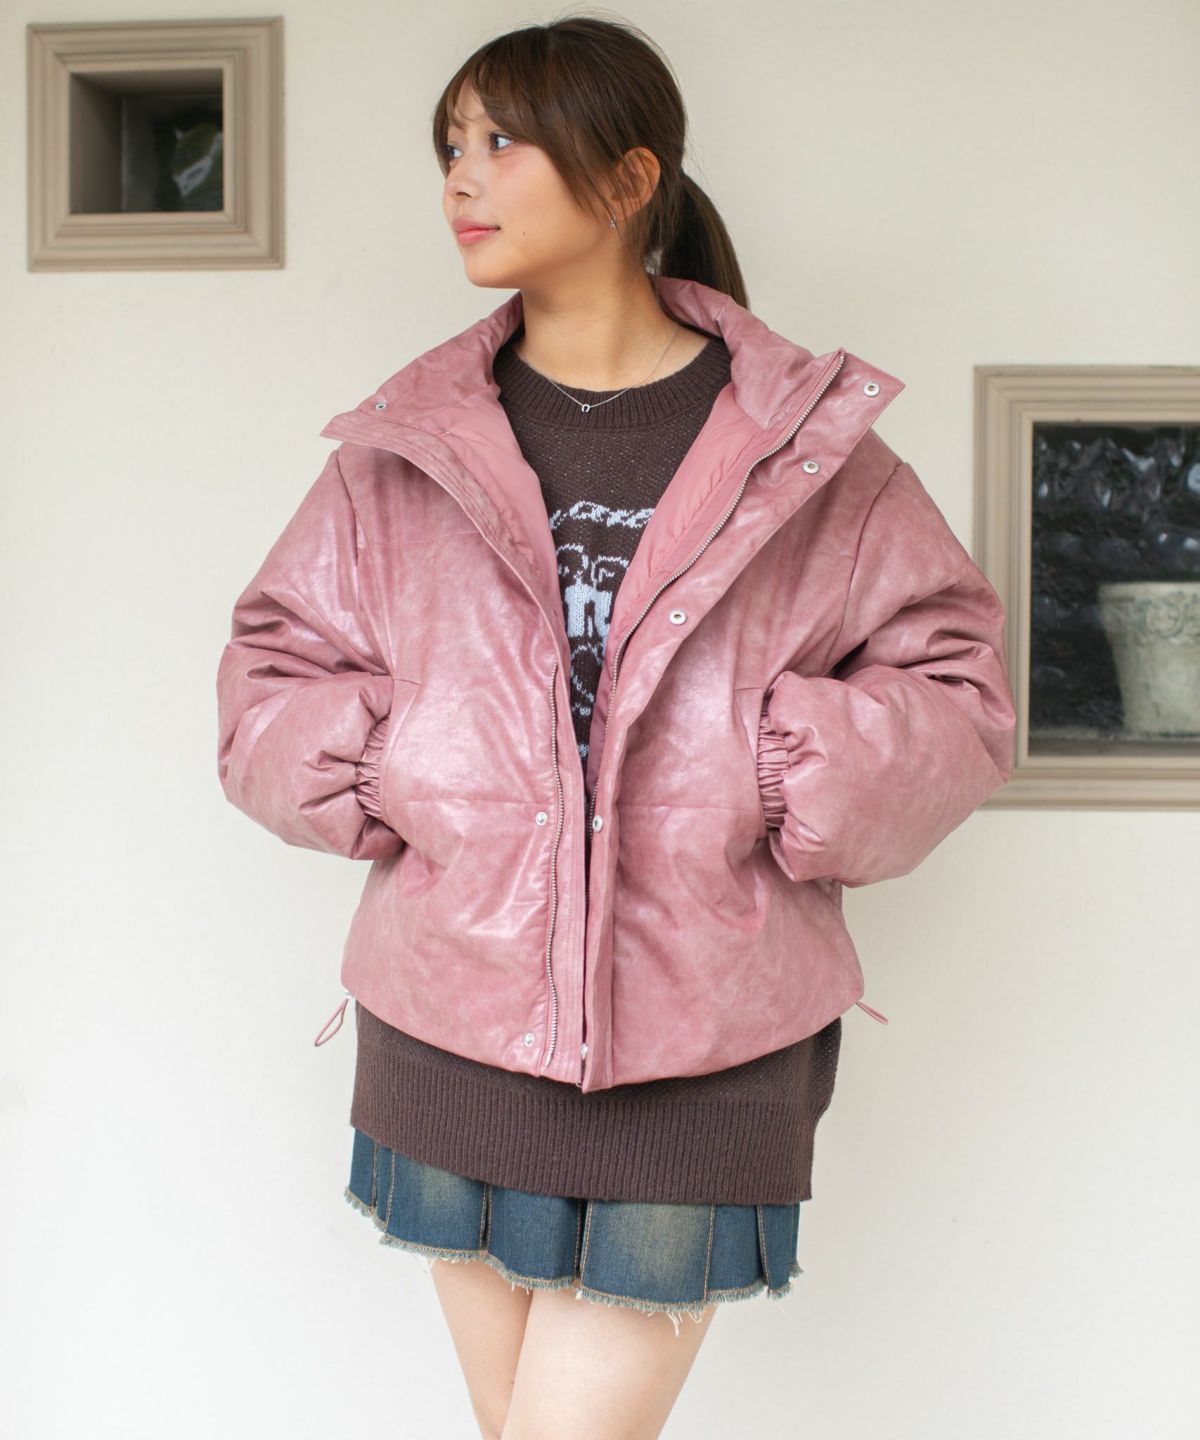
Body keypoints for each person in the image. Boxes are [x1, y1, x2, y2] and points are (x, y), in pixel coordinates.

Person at [215, 15, 1017, 1438]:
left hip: (707, 1041)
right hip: (453, 1030)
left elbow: (956, 691)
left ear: (631, 175)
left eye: (501, 141)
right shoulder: (405, 451)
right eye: (449, 146)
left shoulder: (807, 451)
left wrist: (774, 766)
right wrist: (395, 761)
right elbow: (268, 679)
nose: (462, 177)